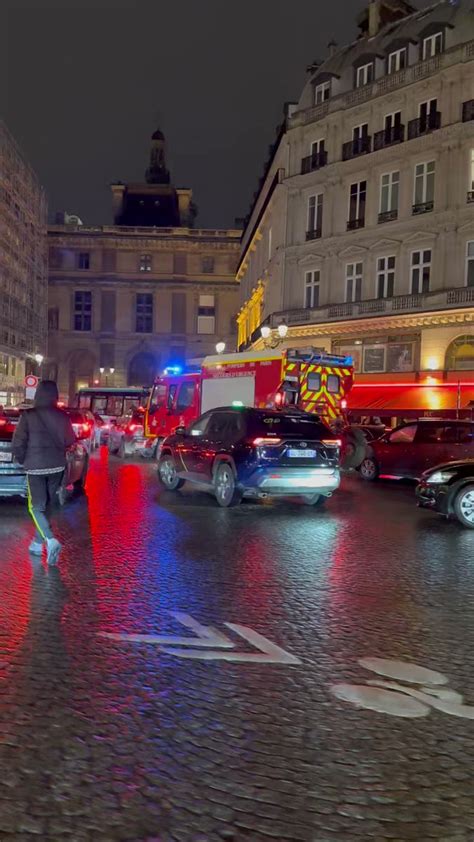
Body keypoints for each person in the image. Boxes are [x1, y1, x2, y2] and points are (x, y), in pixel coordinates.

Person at [12, 381, 76, 565]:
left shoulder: (29, 415)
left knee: (35, 507)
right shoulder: (62, 416)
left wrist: (23, 459)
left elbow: (18, 442)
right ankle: (38, 543)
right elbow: (70, 440)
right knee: (47, 505)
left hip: (36, 468)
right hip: (57, 466)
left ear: (37, 394)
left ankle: (50, 540)